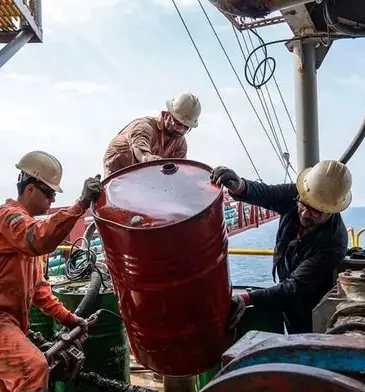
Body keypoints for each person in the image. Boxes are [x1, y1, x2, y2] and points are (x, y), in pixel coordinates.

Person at [0, 151, 102, 392]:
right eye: (49, 194)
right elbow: (39, 239)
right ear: (31, 189)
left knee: (15, 387)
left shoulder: (22, 235)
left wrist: (69, 318)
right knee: (33, 368)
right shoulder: (5, 217)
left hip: (3, 323)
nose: (53, 200)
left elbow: (39, 290)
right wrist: (81, 203)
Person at [212, 160, 351, 334]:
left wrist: (246, 298)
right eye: (303, 204)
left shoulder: (334, 243)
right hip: (287, 288)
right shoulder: (298, 193)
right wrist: (240, 186)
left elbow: (294, 287)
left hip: (311, 304)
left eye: (316, 211)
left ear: (332, 210)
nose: (305, 214)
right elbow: (267, 194)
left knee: (304, 336)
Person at [102, 92, 201, 177]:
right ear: (167, 115)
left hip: (143, 181)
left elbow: (178, 172)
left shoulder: (180, 143)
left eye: (186, 127)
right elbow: (141, 149)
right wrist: (147, 158)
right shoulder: (145, 126)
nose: (181, 130)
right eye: (178, 123)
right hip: (117, 176)